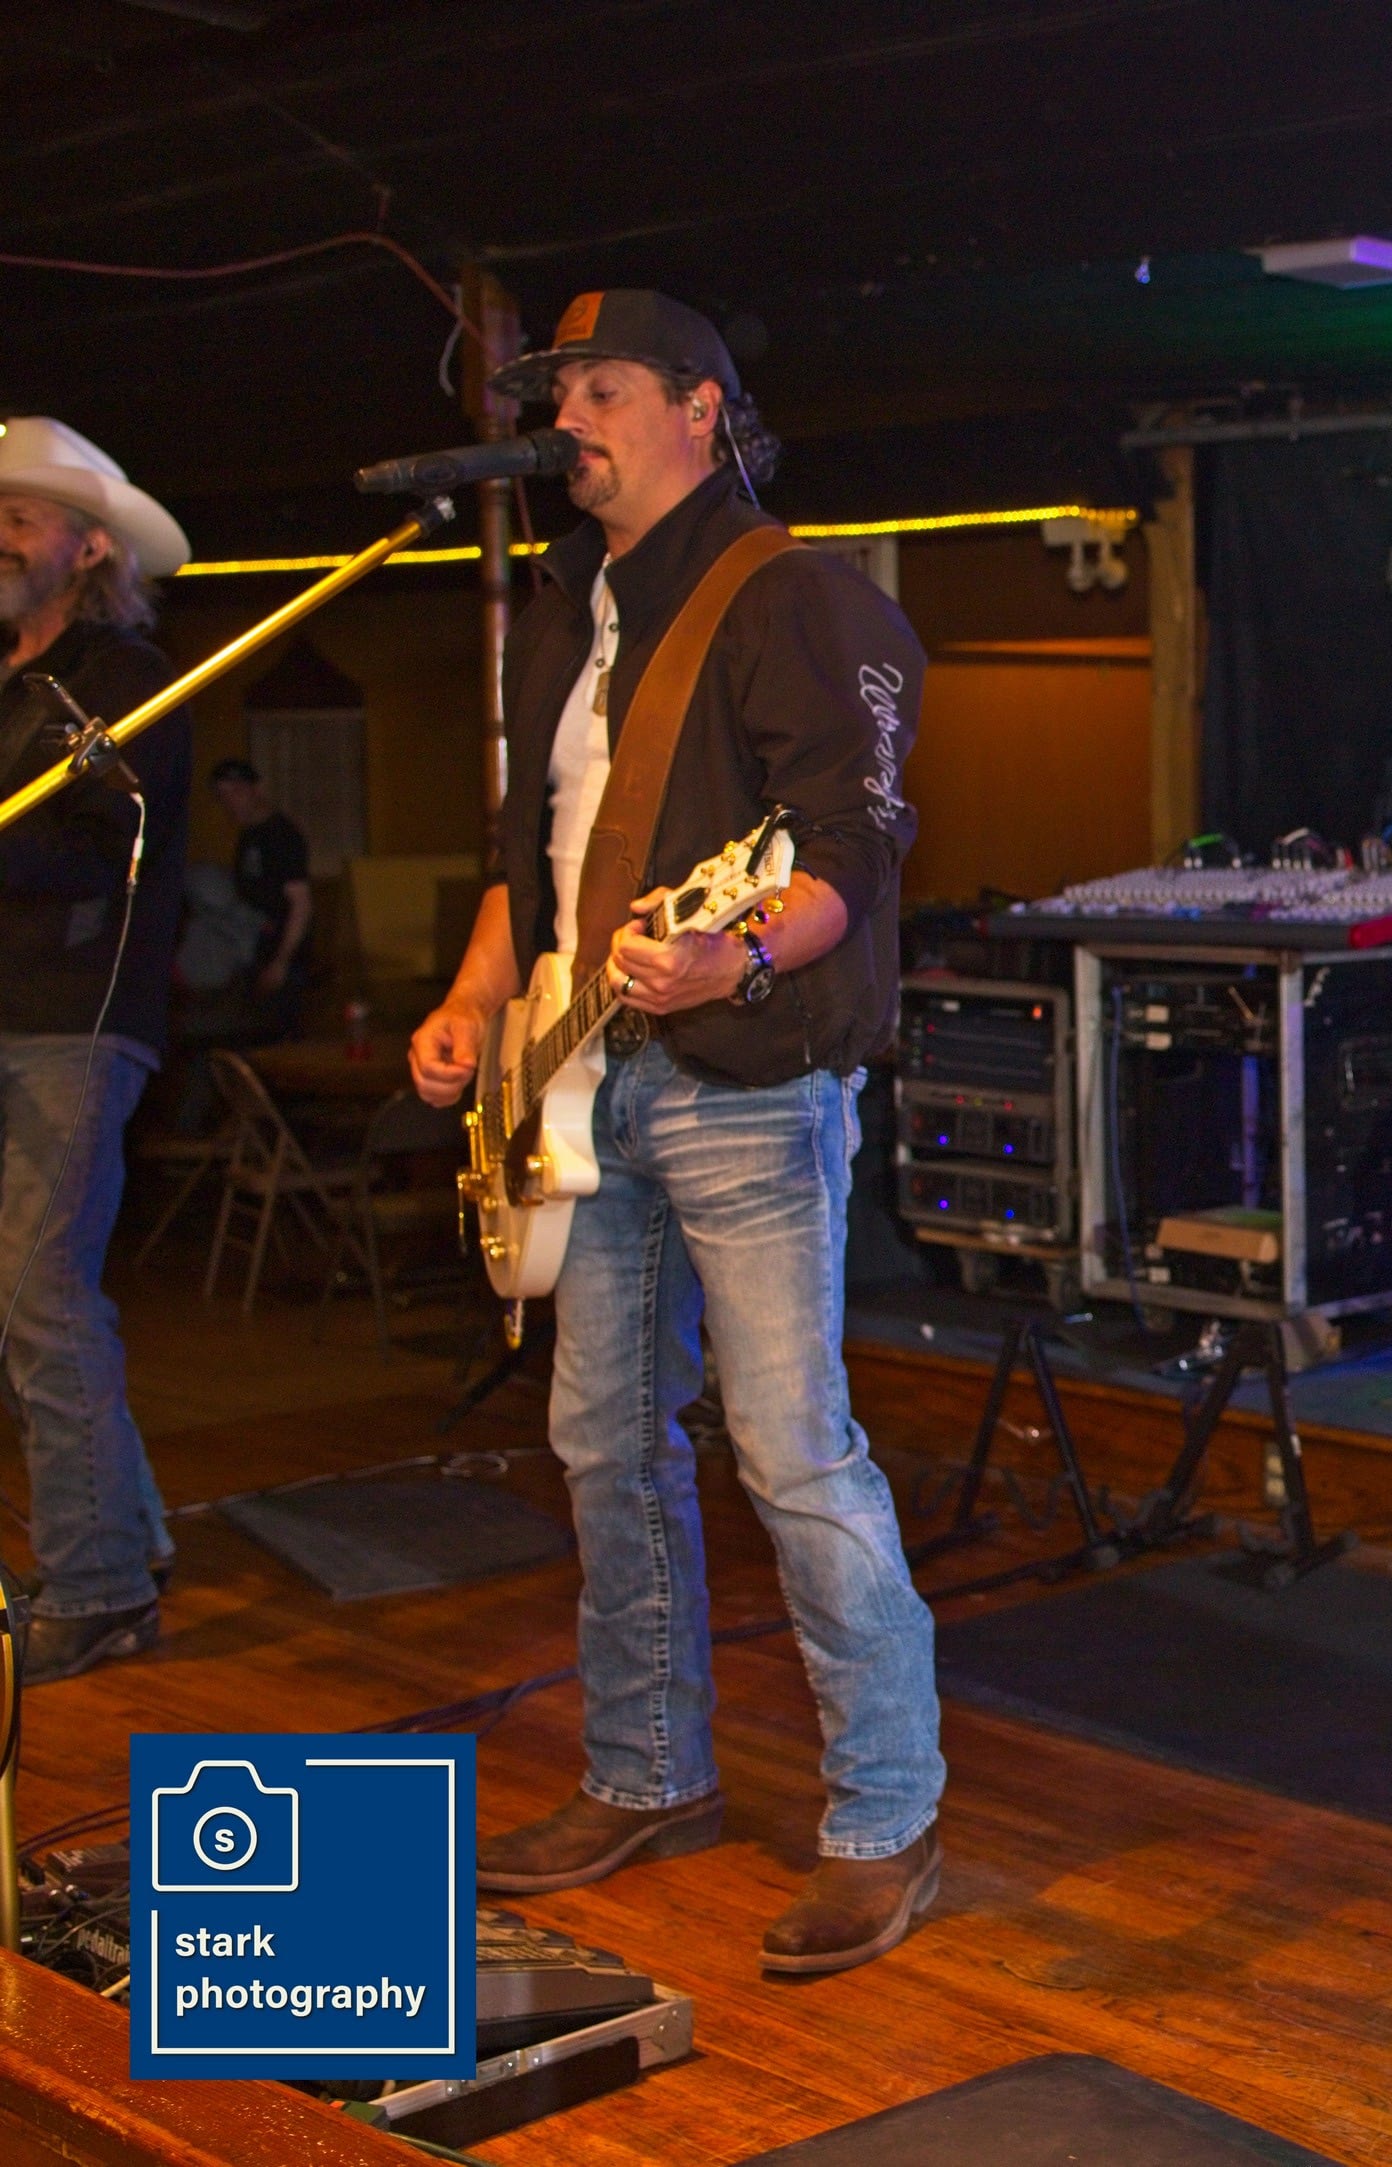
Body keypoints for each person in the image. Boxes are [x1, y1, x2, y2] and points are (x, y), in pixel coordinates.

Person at [406, 291, 943, 1976]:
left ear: (701, 408)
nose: (570, 419)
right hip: (583, 1081)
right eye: (557, 394)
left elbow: (852, 848)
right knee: (602, 1444)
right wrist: (477, 1005)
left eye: (603, 388)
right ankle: (647, 1773)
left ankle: (887, 1813)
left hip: (747, 1083)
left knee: (791, 1449)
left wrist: (740, 953)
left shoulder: (794, 594)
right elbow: (537, 856)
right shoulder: (566, 608)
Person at [0, 417, 193, 1683]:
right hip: (9, 1015)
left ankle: (100, 1586)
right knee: (23, 1295)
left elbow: (95, 851)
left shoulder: (123, 681)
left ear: (87, 550)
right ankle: (127, 1537)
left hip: (76, 1020)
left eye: (20, 518)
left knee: (41, 1293)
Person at [209, 757, 314, 1033]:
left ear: (256, 789)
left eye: (237, 791)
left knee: (279, 1032)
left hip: (282, 949)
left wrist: (281, 962)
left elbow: (300, 903)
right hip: (256, 946)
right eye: (223, 795)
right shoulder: (249, 835)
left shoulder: (281, 835)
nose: (230, 801)